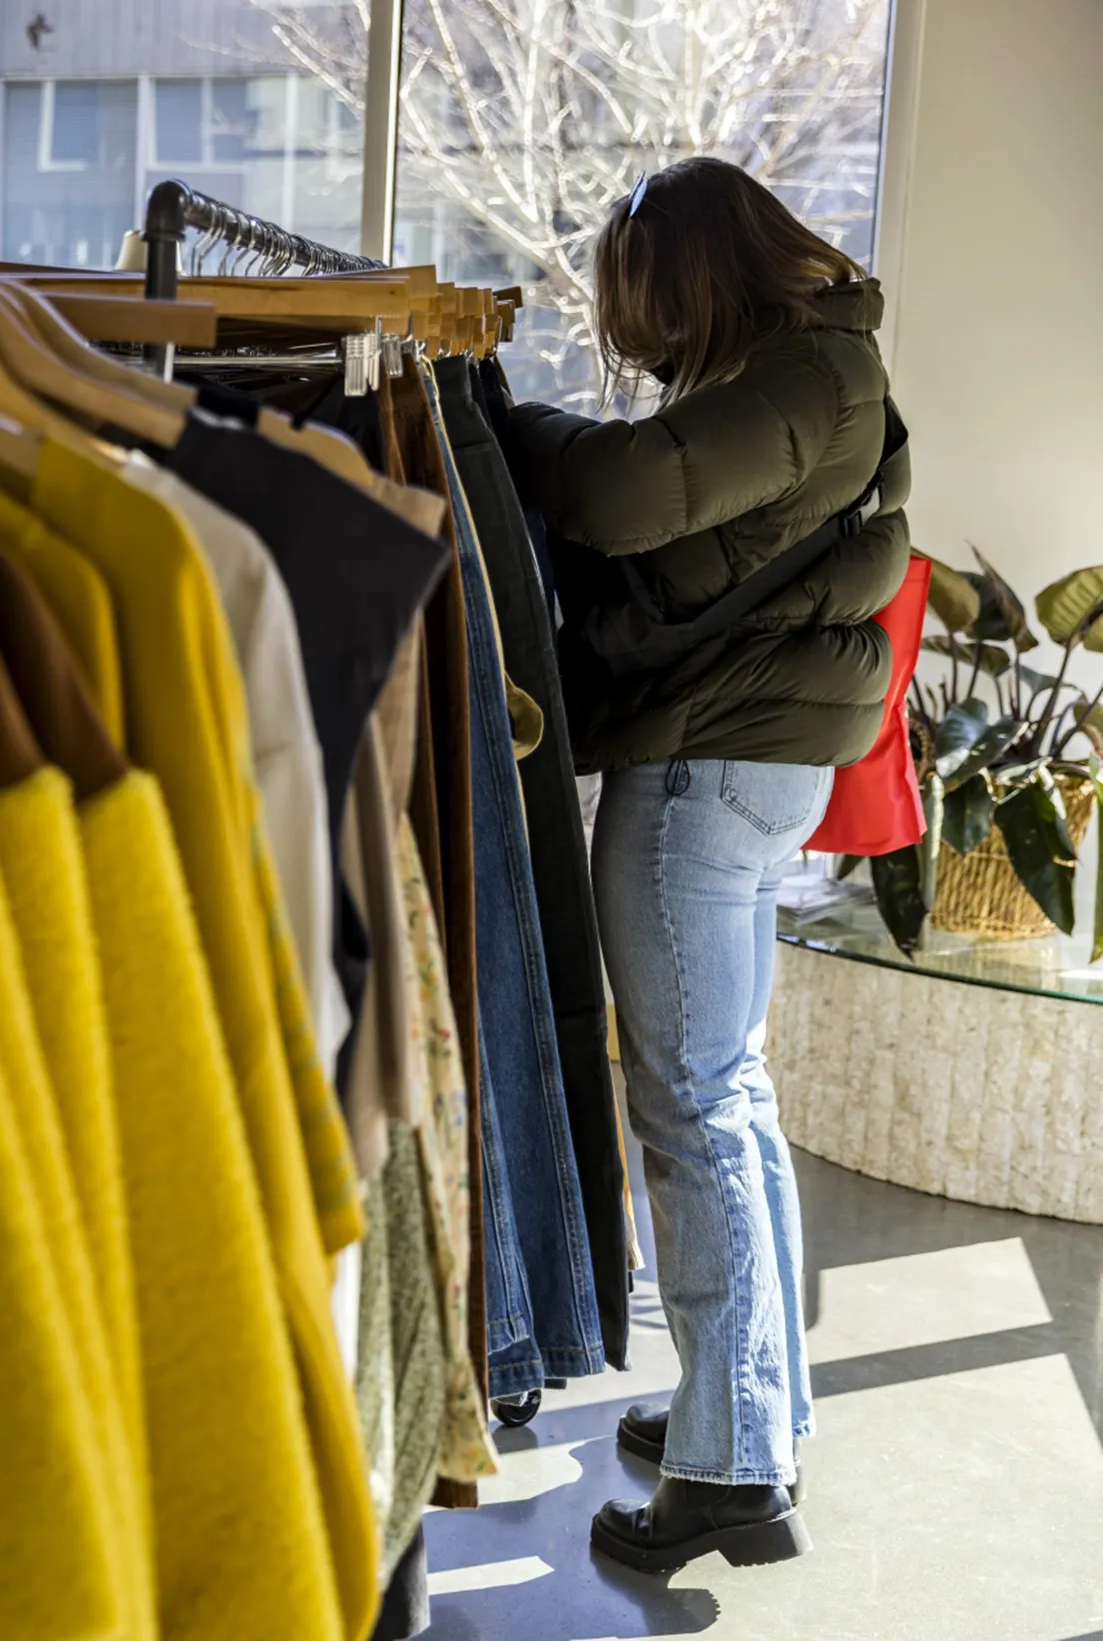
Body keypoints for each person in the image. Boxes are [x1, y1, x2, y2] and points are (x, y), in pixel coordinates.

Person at [503, 156, 911, 1573]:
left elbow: (624, 494)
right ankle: (750, 1415)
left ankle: (731, 1470)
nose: (649, 346)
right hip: (748, 763)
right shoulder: (823, 369)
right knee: (728, 1093)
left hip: (702, 774)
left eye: (652, 312)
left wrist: (500, 418)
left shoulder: (810, 379)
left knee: (689, 1108)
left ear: (696, 278)